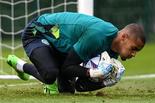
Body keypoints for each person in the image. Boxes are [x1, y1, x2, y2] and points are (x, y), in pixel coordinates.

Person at [7, 12, 146, 94]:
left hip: (60, 45)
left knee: (67, 91)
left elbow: (81, 86)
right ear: (124, 37)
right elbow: (68, 69)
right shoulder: (98, 36)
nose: (134, 54)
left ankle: (26, 66)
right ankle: (22, 65)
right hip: (38, 32)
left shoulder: (112, 52)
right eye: (134, 48)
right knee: (50, 75)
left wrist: (105, 82)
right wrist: (92, 72)